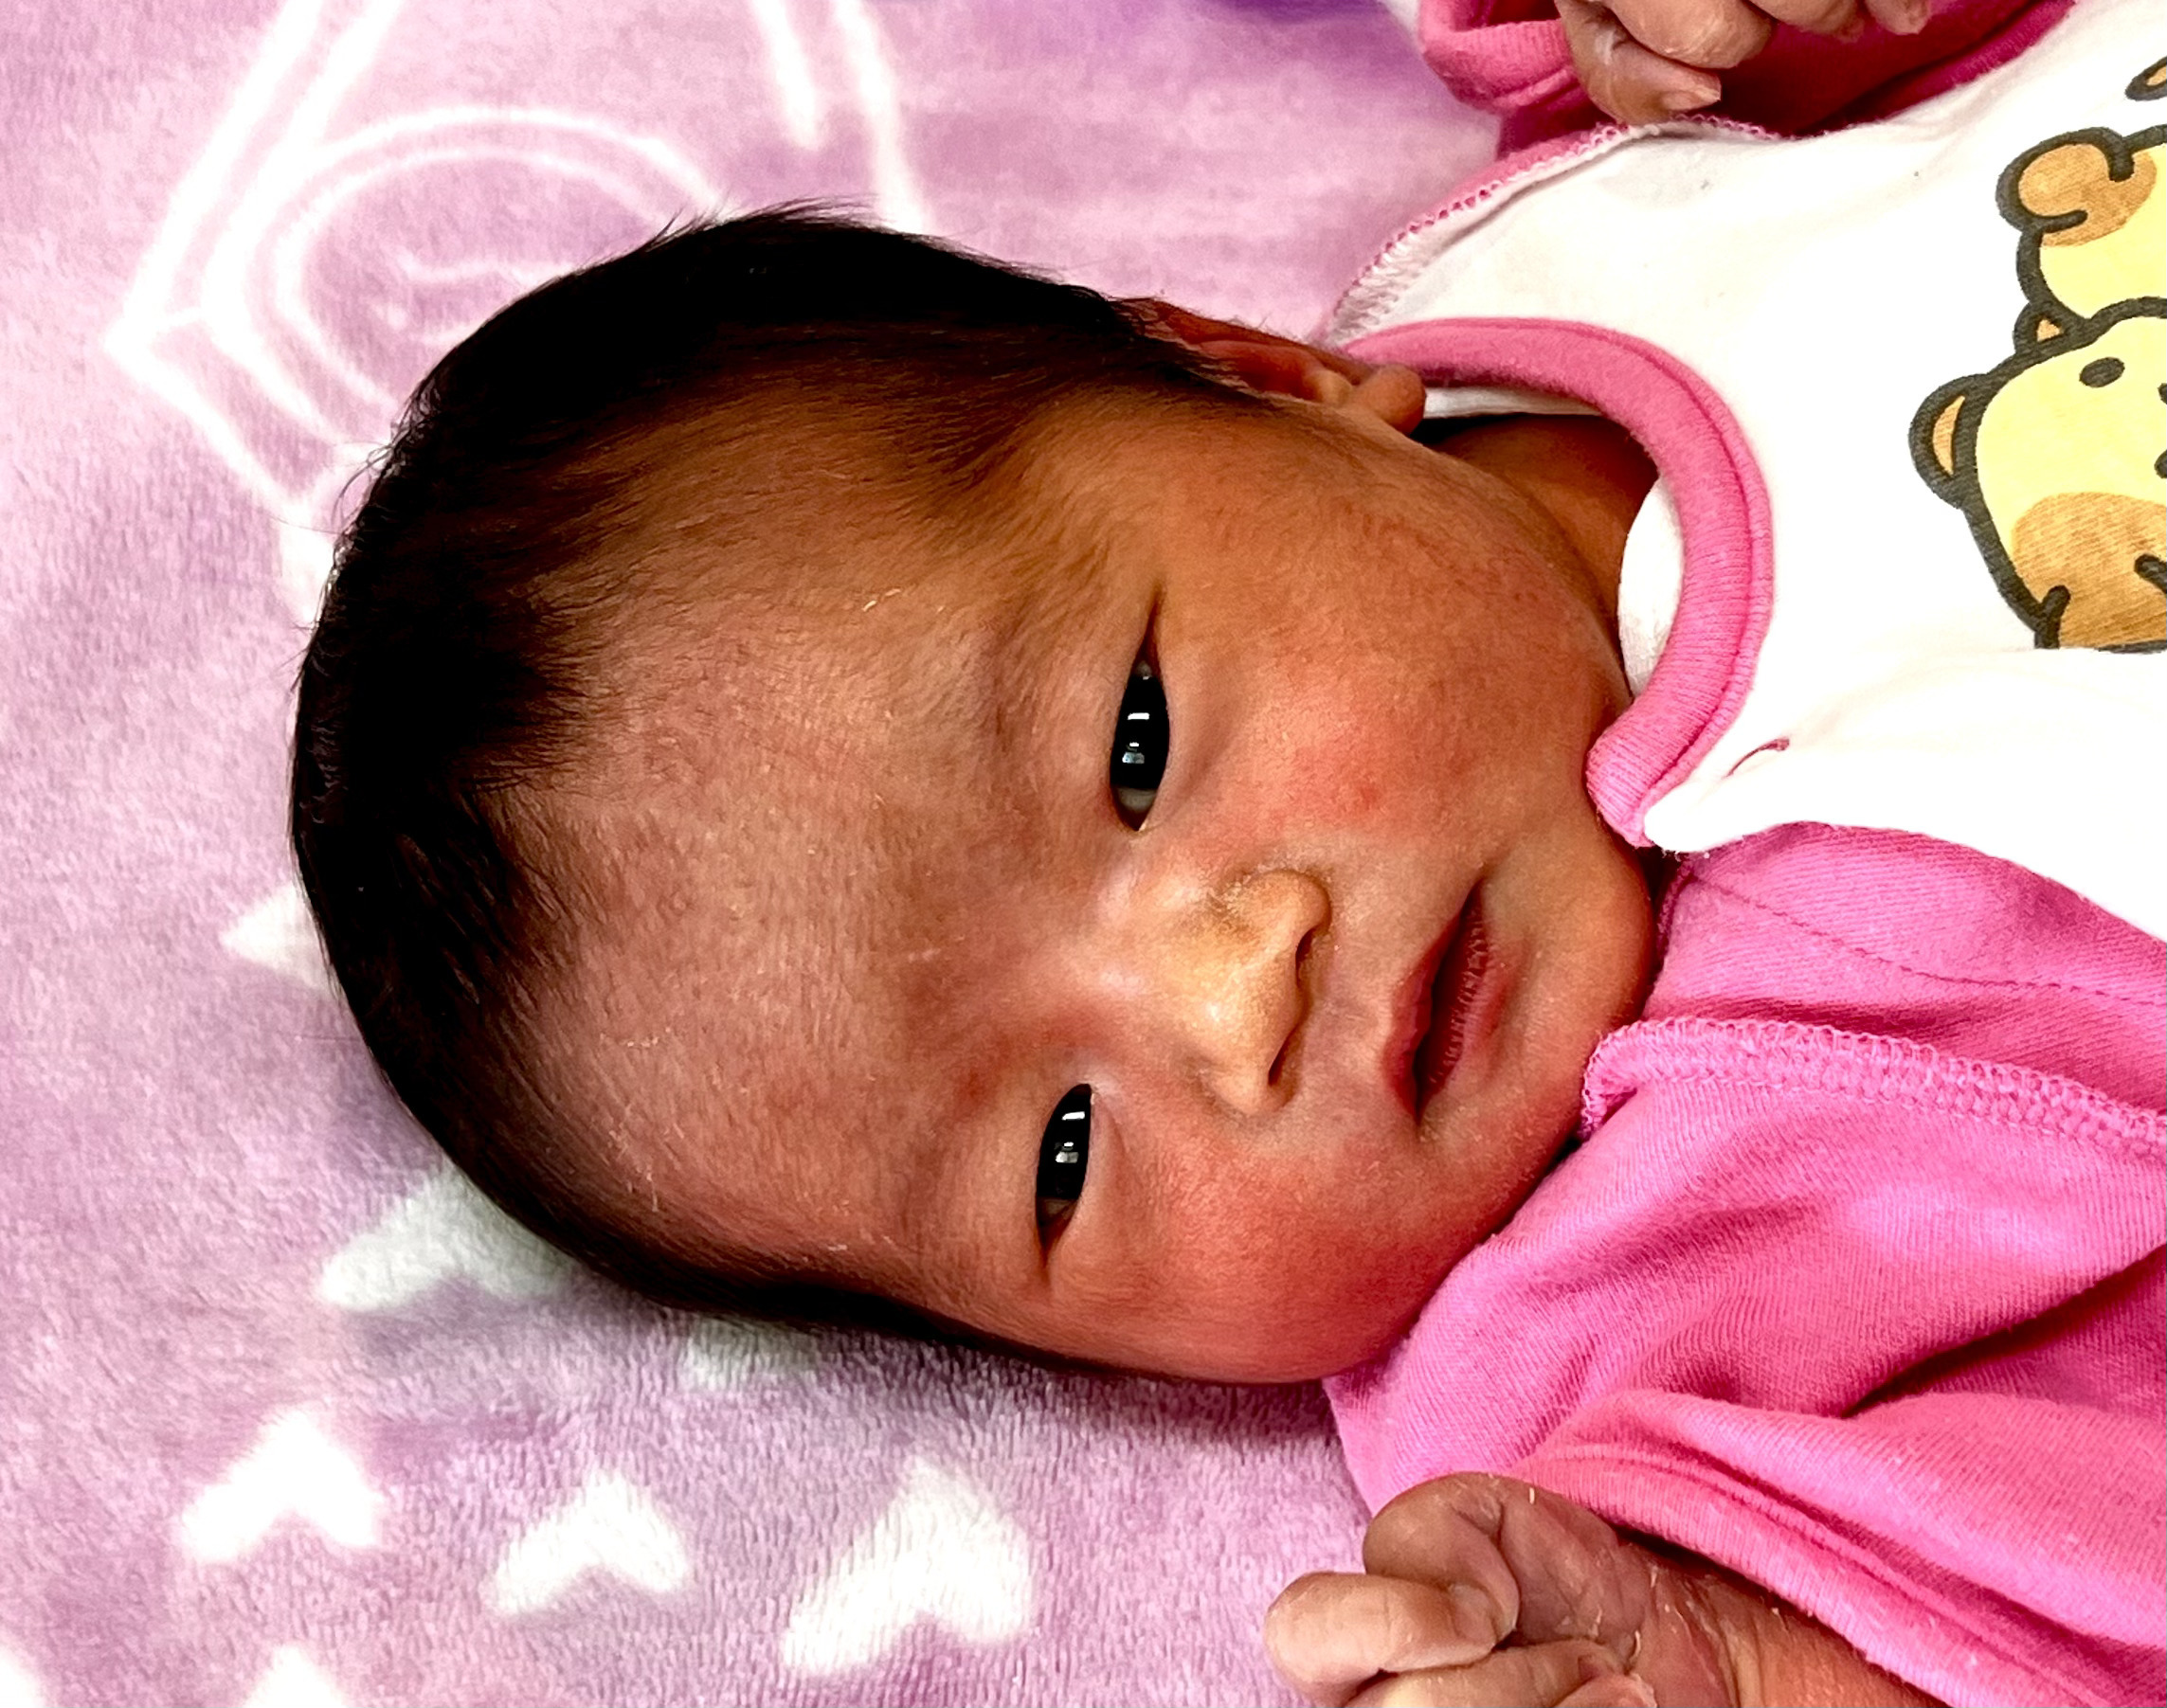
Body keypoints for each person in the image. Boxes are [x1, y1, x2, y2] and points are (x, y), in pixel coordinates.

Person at [287, 0, 2165, 1696]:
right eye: (1063, 1150)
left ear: (1266, 376)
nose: (1233, 1000)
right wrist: (1757, 1653)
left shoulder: (1656, 207)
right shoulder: (1633, 1352)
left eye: (1136, 745)